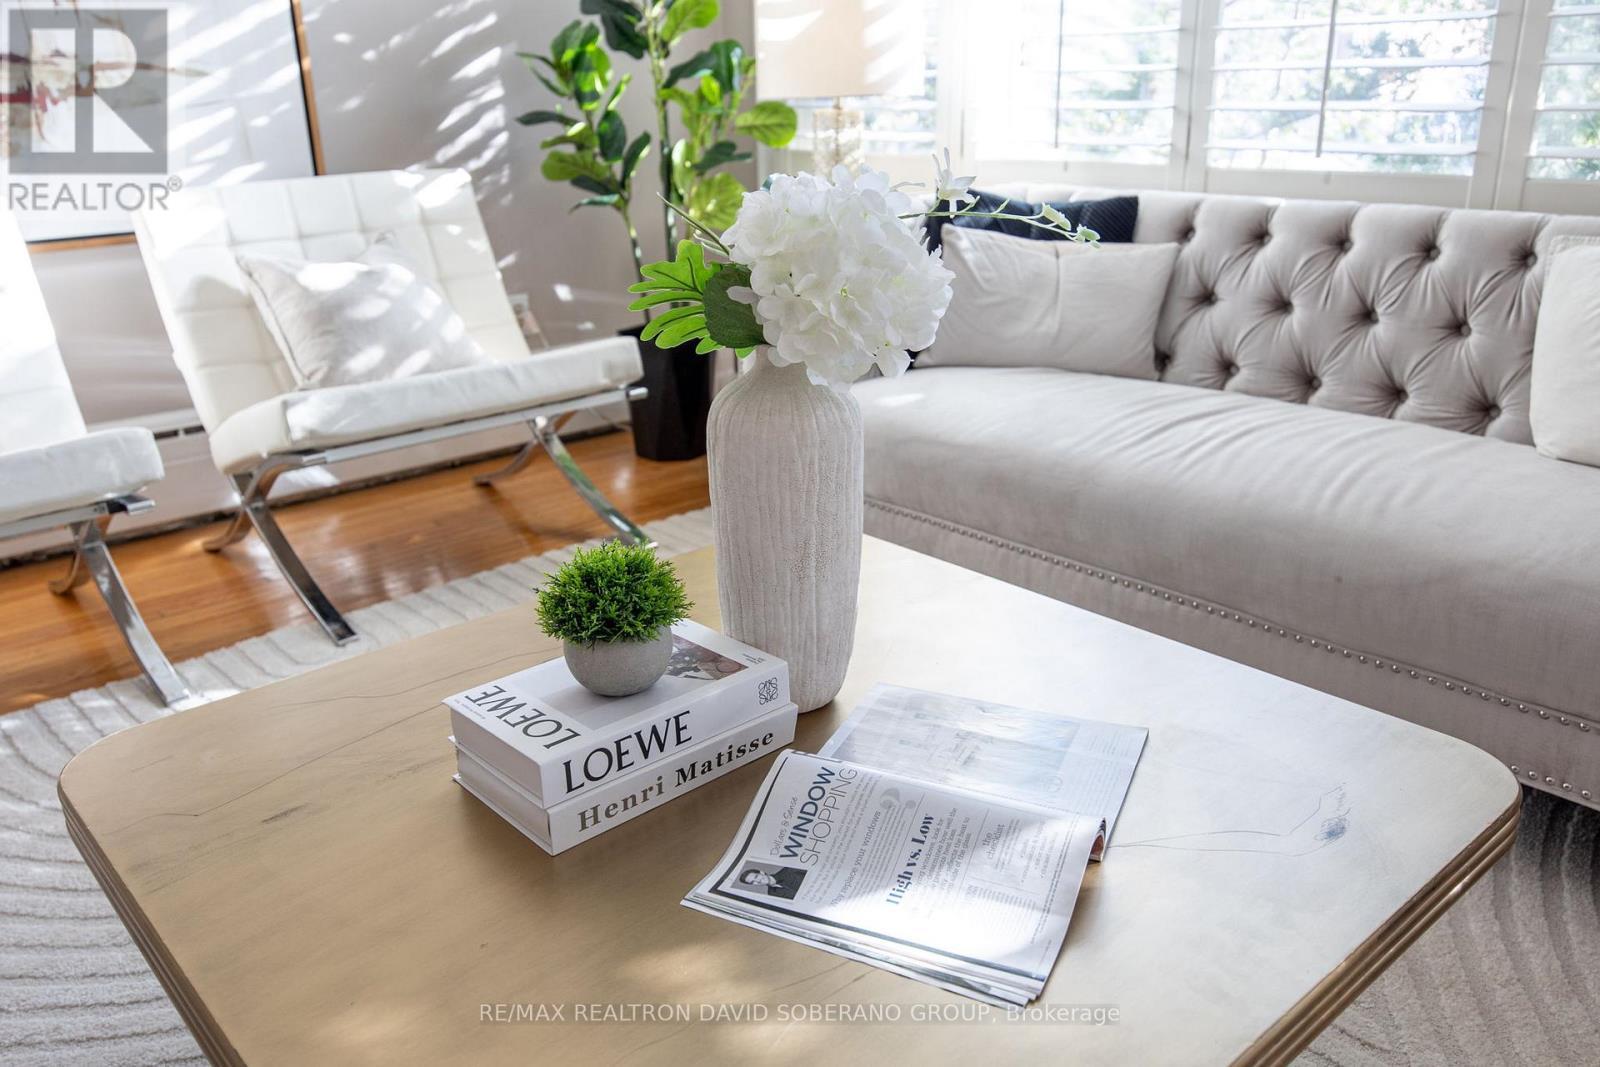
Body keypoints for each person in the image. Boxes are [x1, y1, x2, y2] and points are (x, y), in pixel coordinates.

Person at [737, 864, 806, 900]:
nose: (758, 881)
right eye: (753, 882)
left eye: (756, 877)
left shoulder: (789, 870)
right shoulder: (772, 895)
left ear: (762, 872)